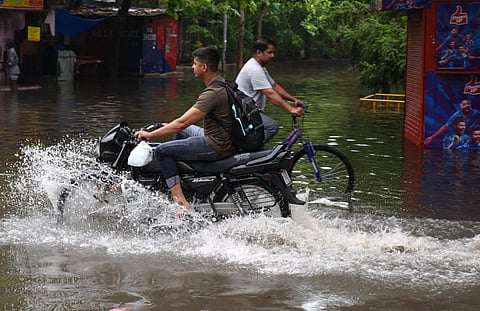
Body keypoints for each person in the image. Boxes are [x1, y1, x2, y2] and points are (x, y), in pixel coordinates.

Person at [134, 47, 236, 209]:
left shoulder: (212, 93)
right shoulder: (222, 83)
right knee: (178, 131)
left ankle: (180, 200)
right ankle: (186, 179)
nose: (192, 67)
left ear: (204, 67)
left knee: (162, 151)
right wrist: (170, 126)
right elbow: (181, 125)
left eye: (194, 64)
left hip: (215, 144)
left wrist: (150, 134)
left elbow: (182, 123)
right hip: (222, 137)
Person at [235, 37, 305, 143]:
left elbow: (274, 87)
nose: (273, 56)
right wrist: (291, 109)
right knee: (272, 127)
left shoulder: (260, 67)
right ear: (259, 52)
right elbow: (271, 94)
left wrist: (294, 99)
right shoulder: (254, 69)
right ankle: (247, 150)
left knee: (264, 131)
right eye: (270, 52)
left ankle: (254, 150)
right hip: (245, 114)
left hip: (251, 112)